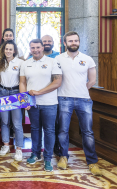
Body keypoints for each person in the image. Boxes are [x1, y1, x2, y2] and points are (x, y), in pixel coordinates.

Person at [56, 31, 101, 176]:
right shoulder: (58, 59)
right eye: (70, 41)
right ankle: (63, 157)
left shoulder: (87, 59)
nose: (73, 43)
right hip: (64, 98)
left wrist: (81, 90)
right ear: (65, 43)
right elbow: (56, 79)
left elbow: (92, 80)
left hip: (84, 99)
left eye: (76, 40)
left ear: (79, 42)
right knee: (63, 130)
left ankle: (92, 162)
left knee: (87, 132)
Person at [19, 39, 62, 172]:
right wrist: (24, 100)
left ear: (43, 47)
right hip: (32, 104)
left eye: (38, 47)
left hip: (49, 103)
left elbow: (57, 82)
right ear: (30, 49)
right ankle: (35, 154)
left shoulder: (52, 62)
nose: (35, 50)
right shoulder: (25, 64)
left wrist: (39, 92)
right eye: (32, 48)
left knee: (49, 130)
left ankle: (48, 158)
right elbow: (22, 83)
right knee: (35, 129)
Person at [0, 40, 24, 161]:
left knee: (17, 122)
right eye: (6, 49)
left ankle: (19, 148)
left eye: (10, 49)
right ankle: (6, 145)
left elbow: (23, 81)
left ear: (14, 51)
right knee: (4, 121)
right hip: (2, 93)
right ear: (3, 50)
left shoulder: (20, 62)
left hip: (15, 93)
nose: (8, 51)